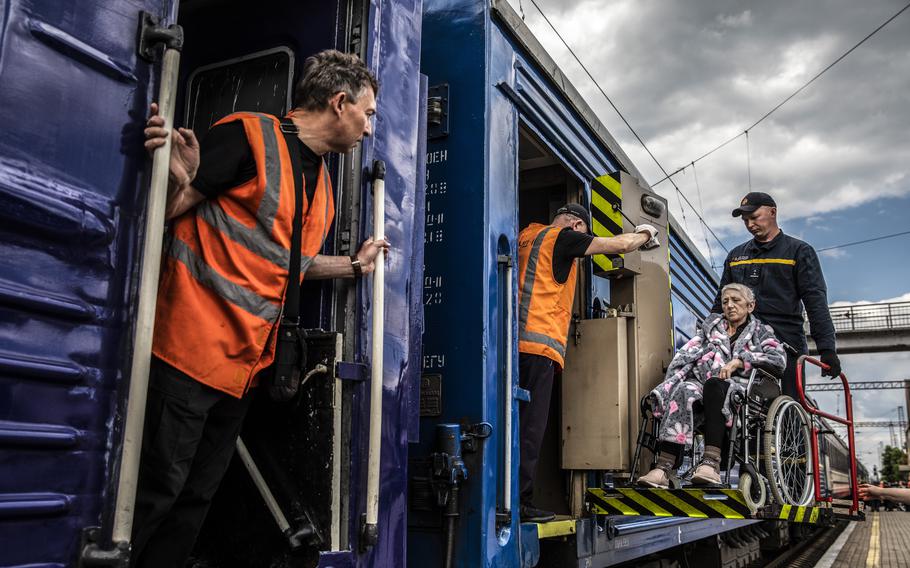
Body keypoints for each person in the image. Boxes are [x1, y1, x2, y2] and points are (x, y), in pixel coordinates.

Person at [132, 50, 388, 567]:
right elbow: (164, 213)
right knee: (157, 492)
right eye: (368, 113)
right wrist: (173, 179)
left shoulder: (324, 187)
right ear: (340, 103)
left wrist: (355, 268)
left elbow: (288, 262)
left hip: (243, 370)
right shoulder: (249, 136)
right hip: (187, 348)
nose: (368, 128)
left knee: (195, 500)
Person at [518, 203, 658, 522]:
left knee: (513, 425)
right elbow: (620, 245)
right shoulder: (565, 238)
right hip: (538, 347)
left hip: (510, 346)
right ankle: (521, 502)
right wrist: (647, 232)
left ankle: (507, 497)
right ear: (578, 226)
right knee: (530, 429)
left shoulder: (526, 235)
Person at [639, 283, 786, 487]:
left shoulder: (761, 332)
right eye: (725, 301)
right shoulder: (710, 329)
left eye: (736, 300)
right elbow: (688, 353)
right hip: (704, 383)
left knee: (714, 386)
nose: (730, 305)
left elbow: (778, 359)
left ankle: (711, 463)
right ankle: (663, 468)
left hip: (742, 391)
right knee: (683, 390)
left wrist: (740, 360)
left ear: (750, 306)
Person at [711, 192, 840, 400]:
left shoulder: (798, 252)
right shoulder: (735, 256)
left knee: (791, 402)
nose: (750, 224)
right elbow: (720, 302)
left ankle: (793, 429)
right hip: (744, 341)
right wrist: (710, 334)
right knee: (730, 399)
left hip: (786, 343)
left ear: (773, 212)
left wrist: (827, 349)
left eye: (755, 217)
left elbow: (815, 302)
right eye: (746, 220)